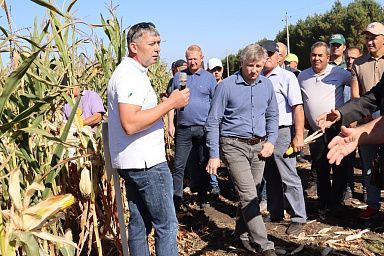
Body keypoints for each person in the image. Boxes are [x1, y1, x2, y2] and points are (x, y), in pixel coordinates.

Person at [107, 22, 190, 256]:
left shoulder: (132, 73)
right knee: (166, 224)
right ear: (134, 47)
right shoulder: (129, 76)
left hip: (133, 162)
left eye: (159, 44)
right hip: (146, 164)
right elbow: (130, 123)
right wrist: (170, 104)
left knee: (140, 223)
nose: (157, 49)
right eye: (152, 44)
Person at [205, 43, 279, 256]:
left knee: (251, 193)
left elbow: (273, 115)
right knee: (248, 195)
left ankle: (241, 235)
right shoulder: (226, 86)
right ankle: (265, 245)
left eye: (258, 66)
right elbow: (213, 121)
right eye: (250, 65)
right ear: (241, 63)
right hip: (233, 145)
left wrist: (271, 140)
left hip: (259, 146)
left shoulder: (266, 85)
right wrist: (214, 155)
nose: (254, 70)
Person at [298, 41, 351, 212]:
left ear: (328, 57)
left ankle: (336, 203)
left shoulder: (340, 73)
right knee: (320, 167)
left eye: (320, 55)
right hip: (315, 131)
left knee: (339, 167)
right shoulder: (302, 76)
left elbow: (357, 85)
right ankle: (323, 201)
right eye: (314, 55)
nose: (316, 58)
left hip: (336, 129)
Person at [261, 40, 307, 235]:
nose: (268, 57)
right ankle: (276, 211)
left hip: (281, 131)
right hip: (262, 132)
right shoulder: (258, 78)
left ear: (280, 56)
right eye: (265, 54)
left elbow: (297, 107)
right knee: (269, 174)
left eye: (272, 53)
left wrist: (298, 135)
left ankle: (299, 217)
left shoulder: (287, 77)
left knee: (288, 174)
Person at [168, 45, 217, 210]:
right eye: (189, 59)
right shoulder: (180, 77)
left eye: (195, 59)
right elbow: (170, 103)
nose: (192, 62)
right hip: (183, 128)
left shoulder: (209, 78)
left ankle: (203, 197)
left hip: (203, 128)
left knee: (203, 162)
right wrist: (170, 124)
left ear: (202, 58)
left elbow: (215, 104)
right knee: (178, 165)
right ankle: (177, 199)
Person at [346, 22, 384, 218]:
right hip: (366, 116)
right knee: (368, 164)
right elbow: (355, 93)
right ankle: (372, 203)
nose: (369, 41)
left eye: (374, 37)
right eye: (367, 37)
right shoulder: (358, 63)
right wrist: (363, 115)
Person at [206, 57, 224, 196]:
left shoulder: (227, 85)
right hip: (211, 125)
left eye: (218, 69)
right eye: (213, 70)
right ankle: (214, 184)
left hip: (225, 125)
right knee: (212, 153)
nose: (216, 72)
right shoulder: (207, 85)